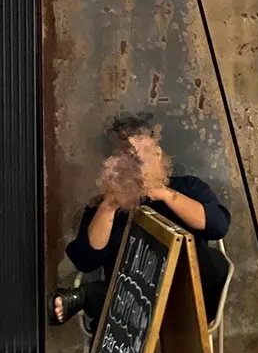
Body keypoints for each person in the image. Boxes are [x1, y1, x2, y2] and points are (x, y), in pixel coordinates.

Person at [48, 113, 232, 331]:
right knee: (126, 294)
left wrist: (164, 194)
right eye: (126, 159)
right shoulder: (105, 205)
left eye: (140, 158)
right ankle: (95, 298)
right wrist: (110, 205)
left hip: (184, 299)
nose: (136, 166)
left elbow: (218, 226)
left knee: (214, 262)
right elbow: (85, 260)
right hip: (130, 302)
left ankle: (91, 297)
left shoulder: (188, 187)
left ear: (158, 154)